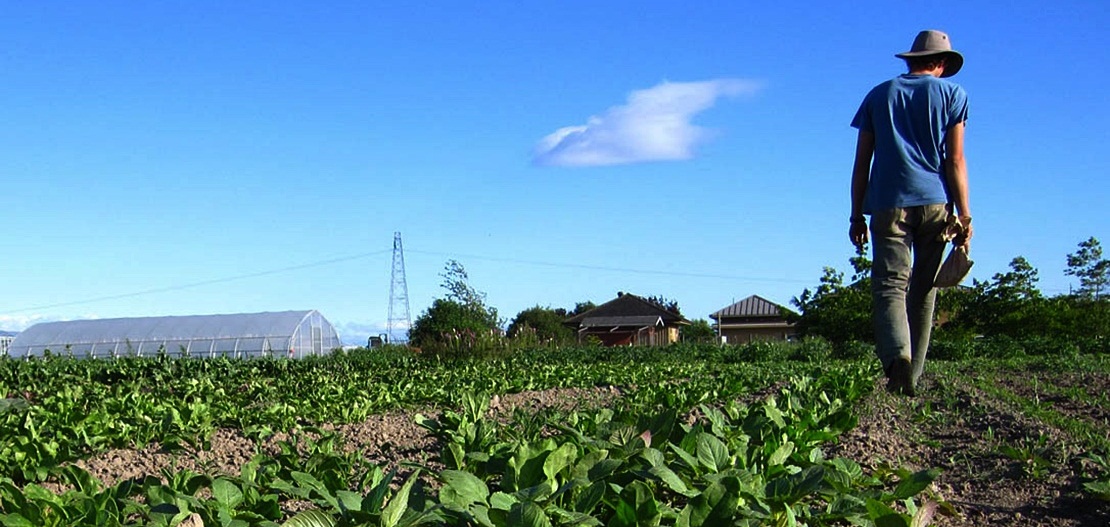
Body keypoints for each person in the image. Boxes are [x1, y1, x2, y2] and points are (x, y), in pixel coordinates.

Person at [849, 29, 973, 396]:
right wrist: (964, 214)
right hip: (935, 202)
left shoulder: (879, 95)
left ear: (912, 60)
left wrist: (857, 215)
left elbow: (861, 164)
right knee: (924, 289)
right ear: (941, 63)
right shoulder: (954, 95)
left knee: (890, 286)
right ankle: (912, 378)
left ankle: (897, 360)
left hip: (887, 202)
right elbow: (955, 160)